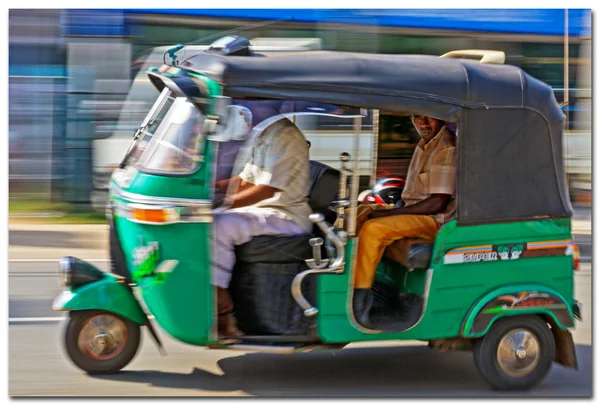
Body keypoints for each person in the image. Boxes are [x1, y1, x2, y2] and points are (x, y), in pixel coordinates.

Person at [352, 114, 457, 328]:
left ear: (441, 118)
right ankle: (368, 284)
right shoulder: (424, 145)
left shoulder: (446, 148)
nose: (423, 123)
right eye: (417, 118)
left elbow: (437, 202)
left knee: (374, 228)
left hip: (434, 221)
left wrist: (388, 215)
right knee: (356, 212)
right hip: (413, 212)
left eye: (430, 118)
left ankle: (358, 305)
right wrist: (390, 210)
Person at [213, 116, 312, 337]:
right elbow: (246, 181)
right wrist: (208, 189)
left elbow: (268, 190)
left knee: (218, 226)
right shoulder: (264, 133)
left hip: (287, 216)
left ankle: (221, 304)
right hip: (268, 210)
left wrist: (223, 203)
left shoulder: (285, 134)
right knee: (206, 219)